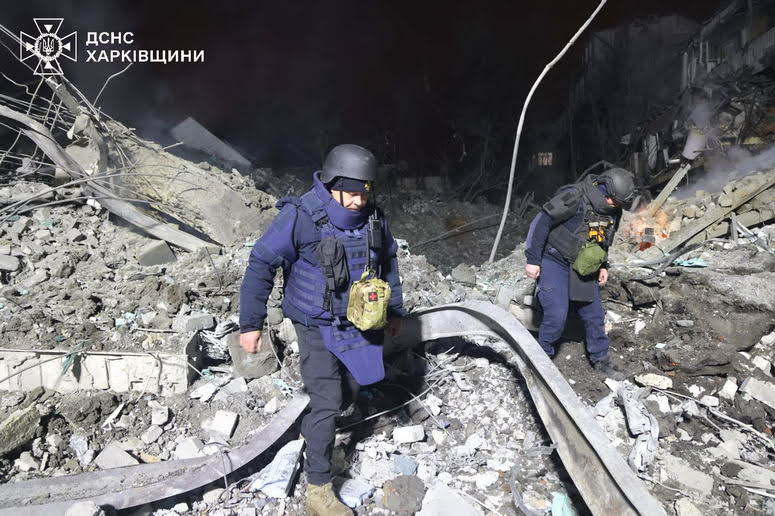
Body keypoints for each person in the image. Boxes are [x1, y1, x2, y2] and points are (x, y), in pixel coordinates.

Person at [239, 144, 406, 516]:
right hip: (314, 323)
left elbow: (388, 260)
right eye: (352, 192)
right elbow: (261, 263)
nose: (359, 201)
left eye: (366, 192)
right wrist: (250, 323)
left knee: (353, 387)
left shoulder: (373, 216)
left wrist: (394, 309)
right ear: (332, 184)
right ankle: (318, 490)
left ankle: (316, 434)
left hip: (361, 321)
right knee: (327, 400)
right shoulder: (301, 217)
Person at [524, 168, 635, 376]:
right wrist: (533, 260)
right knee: (557, 315)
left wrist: (603, 265)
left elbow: (602, 239)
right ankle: (540, 361)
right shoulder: (574, 197)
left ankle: (601, 360)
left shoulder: (614, 210)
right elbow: (542, 222)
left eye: (619, 202)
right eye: (613, 200)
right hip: (554, 260)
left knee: (594, 315)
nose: (615, 205)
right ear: (604, 190)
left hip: (583, 266)